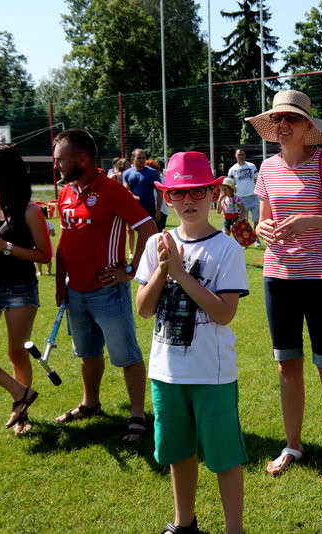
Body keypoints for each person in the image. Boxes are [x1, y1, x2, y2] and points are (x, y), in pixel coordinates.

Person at [135, 151, 248, 534]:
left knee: (223, 457)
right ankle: (184, 524)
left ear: (214, 193)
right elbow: (144, 309)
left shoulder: (227, 249)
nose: (188, 201)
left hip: (211, 374)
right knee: (177, 451)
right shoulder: (156, 245)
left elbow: (224, 313)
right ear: (166, 197)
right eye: (177, 194)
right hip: (166, 371)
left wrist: (181, 274)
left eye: (198, 192)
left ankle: (235, 529)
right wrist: (163, 270)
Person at [247, 89, 322, 481]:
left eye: (291, 119)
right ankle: (292, 444)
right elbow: (264, 224)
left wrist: (308, 221)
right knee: (286, 366)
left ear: (308, 126)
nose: (282, 125)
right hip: (278, 279)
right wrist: (261, 229)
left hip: (321, 280)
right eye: (277, 119)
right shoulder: (266, 169)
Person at [53, 128, 157, 442]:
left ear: (81, 159)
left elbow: (148, 228)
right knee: (87, 354)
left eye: (61, 160)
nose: (57, 165)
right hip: (75, 291)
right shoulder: (66, 192)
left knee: (127, 356)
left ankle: (137, 415)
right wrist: (60, 284)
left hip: (107, 292)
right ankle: (90, 403)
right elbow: (64, 242)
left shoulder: (111, 190)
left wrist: (131, 269)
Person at [0, 144, 52, 434]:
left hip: (19, 288)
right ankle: (21, 394)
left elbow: (45, 255)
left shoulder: (29, 210)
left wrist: (6, 247)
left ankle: (22, 414)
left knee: (17, 353)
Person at [123, 148, 165, 232]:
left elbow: (159, 192)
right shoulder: (126, 173)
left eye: (143, 158)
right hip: (134, 209)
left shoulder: (153, 173)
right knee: (131, 231)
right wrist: (133, 195)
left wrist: (158, 210)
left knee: (150, 233)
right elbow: (126, 191)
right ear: (132, 159)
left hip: (149, 208)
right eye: (139, 158)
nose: (142, 160)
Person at [228, 148, 260, 246]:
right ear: (235, 156)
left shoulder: (252, 166)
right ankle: (244, 241)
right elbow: (230, 186)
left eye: (242, 154)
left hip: (253, 197)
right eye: (239, 155)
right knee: (243, 222)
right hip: (241, 199)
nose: (241, 156)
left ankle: (256, 238)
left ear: (245, 155)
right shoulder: (232, 170)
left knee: (256, 220)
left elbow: (257, 180)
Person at [35, 210, 56, 276]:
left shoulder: (36, 223)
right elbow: (53, 234)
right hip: (47, 243)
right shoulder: (49, 224)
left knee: (39, 258)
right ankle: (48, 271)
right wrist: (51, 232)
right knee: (48, 258)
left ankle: (40, 272)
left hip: (38, 242)